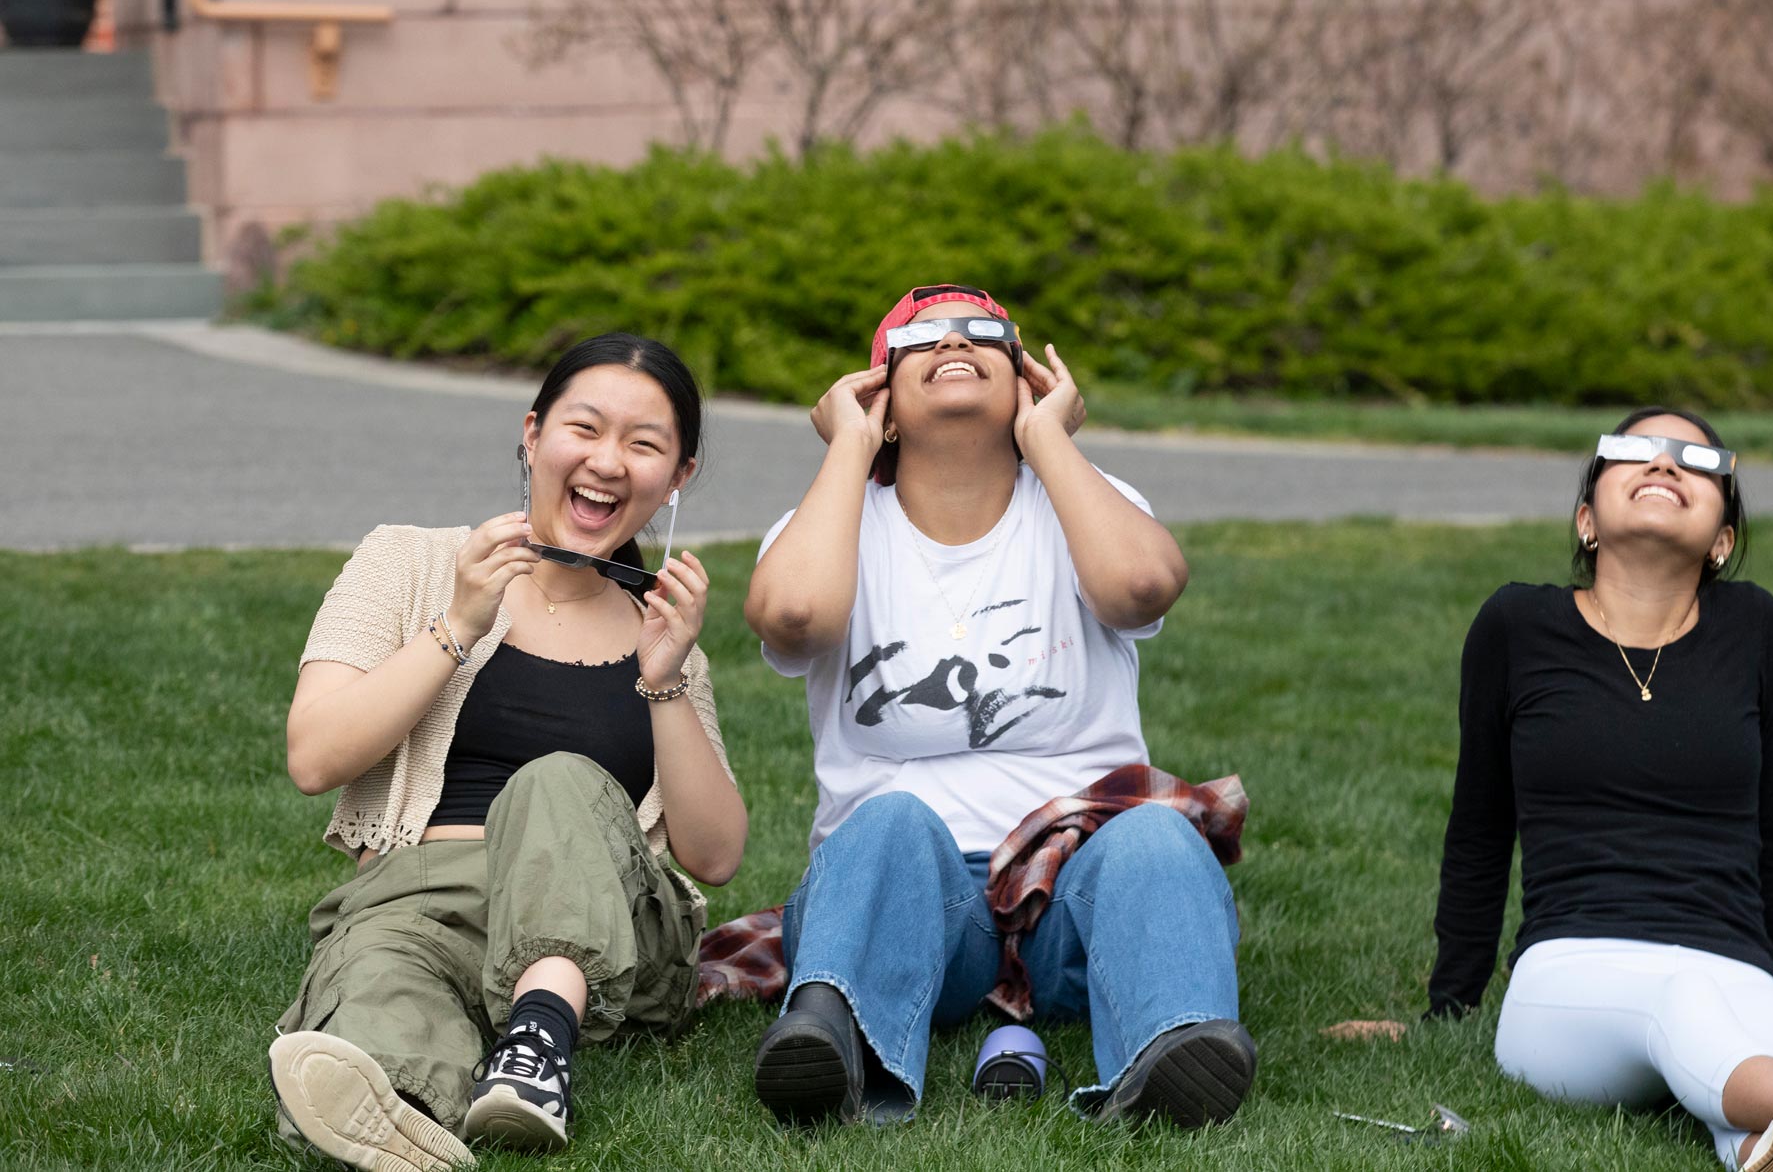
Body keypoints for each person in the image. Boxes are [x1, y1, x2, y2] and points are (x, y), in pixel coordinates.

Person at [741, 286, 1254, 1128]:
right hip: (912, 909)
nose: (956, 342)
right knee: (888, 821)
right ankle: (833, 1036)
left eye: (986, 334)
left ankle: (1176, 1042)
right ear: (881, 401)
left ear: (1025, 382)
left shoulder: (1088, 497)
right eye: (920, 338)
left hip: (1077, 888)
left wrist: (1046, 440)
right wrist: (846, 451)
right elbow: (796, 616)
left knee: (1159, 831)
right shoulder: (827, 521)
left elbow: (1143, 586)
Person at [1429, 407, 1773, 1171]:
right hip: (1570, 978)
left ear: (1722, 540)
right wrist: (1448, 1005)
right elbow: (1478, 826)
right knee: (1681, 1004)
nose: (1664, 464)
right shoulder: (1517, 623)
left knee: (1728, 1035)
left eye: (1695, 461)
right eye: (1634, 451)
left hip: (1736, 970)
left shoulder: (1753, 624)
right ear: (1586, 518)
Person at [267, 333, 745, 1171]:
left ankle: (538, 1044)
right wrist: (456, 625)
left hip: (613, 934)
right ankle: (404, 1115)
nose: (607, 461)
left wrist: (665, 680)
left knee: (556, 781)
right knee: (379, 973)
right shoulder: (410, 561)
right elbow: (314, 756)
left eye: (643, 444)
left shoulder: (664, 633)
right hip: (423, 899)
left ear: (678, 478)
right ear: (533, 436)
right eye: (584, 428)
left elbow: (715, 852)